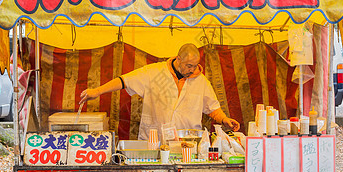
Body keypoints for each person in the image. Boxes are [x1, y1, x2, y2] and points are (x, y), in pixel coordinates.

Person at [80, 43, 240, 140]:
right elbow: (124, 81)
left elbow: (212, 108)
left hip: (188, 144)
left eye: (195, 65)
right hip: (155, 140)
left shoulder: (201, 81)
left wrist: (224, 119)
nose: (192, 70)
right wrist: (97, 91)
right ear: (179, 59)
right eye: (188, 66)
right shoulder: (153, 72)